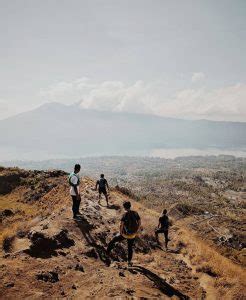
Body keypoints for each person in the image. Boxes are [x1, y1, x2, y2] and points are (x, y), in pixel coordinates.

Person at [107, 201, 141, 266]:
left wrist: (121, 232)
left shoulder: (125, 214)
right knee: (130, 247)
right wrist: (136, 230)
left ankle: (107, 253)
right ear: (130, 206)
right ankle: (129, 262)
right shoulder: (135, 213)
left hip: (125, 234)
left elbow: (121, 225)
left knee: (113, 240)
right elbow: (139, 223)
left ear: (124, 207)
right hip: (133, 235)